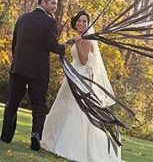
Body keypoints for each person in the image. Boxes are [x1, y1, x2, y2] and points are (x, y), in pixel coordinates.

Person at [41, 10, 121, 162]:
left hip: (81, 80)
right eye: (79, 20)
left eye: (84, 21)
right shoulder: (81, 37)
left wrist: (77, 42)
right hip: (74, 76)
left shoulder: (85, 39)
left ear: (88, 24)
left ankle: (70, 146)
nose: (81, 23)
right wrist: (66, 75)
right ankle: (55, 141)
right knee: (63, 107)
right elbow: (76, 62)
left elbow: (84, 61)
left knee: (76, 111)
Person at [0, 0, 71, 151]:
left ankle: (5, 136)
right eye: (53, 3)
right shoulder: (49, 22)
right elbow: (52, 45)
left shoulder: (22, 18)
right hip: (38, 72)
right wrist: (64, 47)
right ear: (43, 2)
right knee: (39, 105)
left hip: (18, 67)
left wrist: (18, 60)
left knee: (12, 102)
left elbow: (15, 43)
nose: (55, 6)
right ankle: (36, 136)